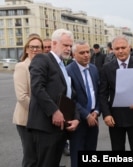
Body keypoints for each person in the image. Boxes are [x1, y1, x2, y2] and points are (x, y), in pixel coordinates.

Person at [27, 28, 80, 167]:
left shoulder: (63, 65)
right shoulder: (42, 59)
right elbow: (37, 87)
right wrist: (54, 111)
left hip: (60, 127)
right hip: (45, 126)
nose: (69, 49)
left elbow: (70, 95)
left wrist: (76, 117)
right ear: (54, 43)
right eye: (65, 45)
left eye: (70, 45)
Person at [99, 35, 133, 151]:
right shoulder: (107, 68)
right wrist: (106, 114)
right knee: (117, 149)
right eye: (117, 48)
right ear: (112, 50)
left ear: (129, 48)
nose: (120, 51)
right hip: (115, 118)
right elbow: (102, 94)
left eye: (123, 47)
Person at [66, 40, 100, 167]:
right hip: (78, 119)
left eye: (88, 51)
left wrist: (96, 111)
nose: (86, 55)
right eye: (82, 52)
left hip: (94, 118)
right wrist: (86, 115)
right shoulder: (68, 71)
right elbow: (70, 98)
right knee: (77, 154)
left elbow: (98, 93)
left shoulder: (94, 69)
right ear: (74, 55)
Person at [13, 36, 44, 167]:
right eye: (32, 47)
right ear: (26, 49)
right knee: (31, 158)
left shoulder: (43, 66)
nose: (35, 50)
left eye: (38, 47)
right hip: (26, 119)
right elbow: (22, 96)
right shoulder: (22, 67)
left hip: (40, 120)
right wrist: (44, 111)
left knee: (40, 156)